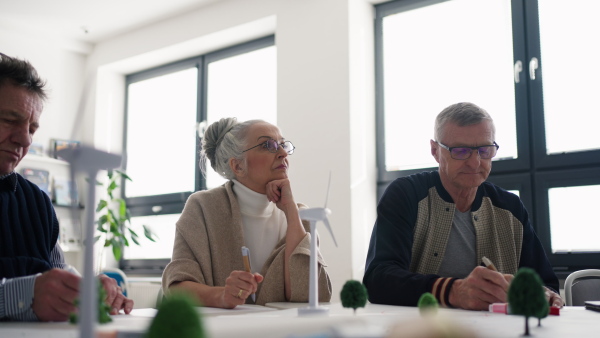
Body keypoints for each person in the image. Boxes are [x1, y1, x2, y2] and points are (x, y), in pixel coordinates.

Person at [363, 102, 563, 310]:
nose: (475, 163)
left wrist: (546, 295)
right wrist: (453, 291)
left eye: (485, 150)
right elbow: (378, 280)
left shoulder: (510, 207)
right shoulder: (406, 194)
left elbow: (546, 284)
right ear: (435, 151)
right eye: (460, 151)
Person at [0, 53, 133, 321]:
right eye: (9, 120)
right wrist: (25, 295)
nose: (24, 139)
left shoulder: (37, 201)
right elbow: (37, 290)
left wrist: (86, 289)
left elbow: (56, 271)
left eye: (33, 128)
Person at [162, 117, 332, 308]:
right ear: (238, 166)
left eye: (283, 145)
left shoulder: (301, 217)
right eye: (269, 145)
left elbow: (307, 293)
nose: (283, 153)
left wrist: (291, 211)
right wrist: (222, 296)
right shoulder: (203, 207)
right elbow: (176, 288)